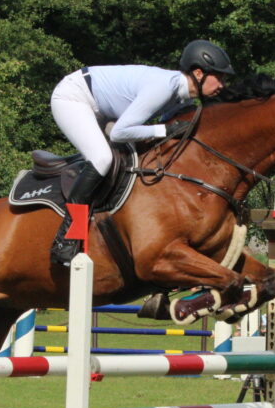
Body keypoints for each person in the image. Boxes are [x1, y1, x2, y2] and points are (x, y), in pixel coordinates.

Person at [48, 40, 235, 264]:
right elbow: (120, 132)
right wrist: (165, 129)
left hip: (103, 109)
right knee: (102, 158)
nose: (222, 84)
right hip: (73, 97)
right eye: (220, 77)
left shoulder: (181, 95)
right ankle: (67, 238)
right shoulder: (165, 86)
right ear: (198, 72)